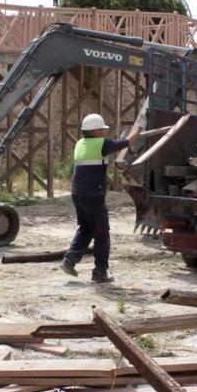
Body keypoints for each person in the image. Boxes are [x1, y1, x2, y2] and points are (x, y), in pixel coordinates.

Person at [60, 113, 141, 283]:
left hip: (77, 194)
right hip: (93, 196)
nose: (103, 133)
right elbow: (128, 142)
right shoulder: (102, 144)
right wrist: (140, 126)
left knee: (85, 228)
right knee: (102, 233)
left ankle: (69, 260)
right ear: (96, 131)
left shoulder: (79, 144)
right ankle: (100, 272)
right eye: (102, 130)